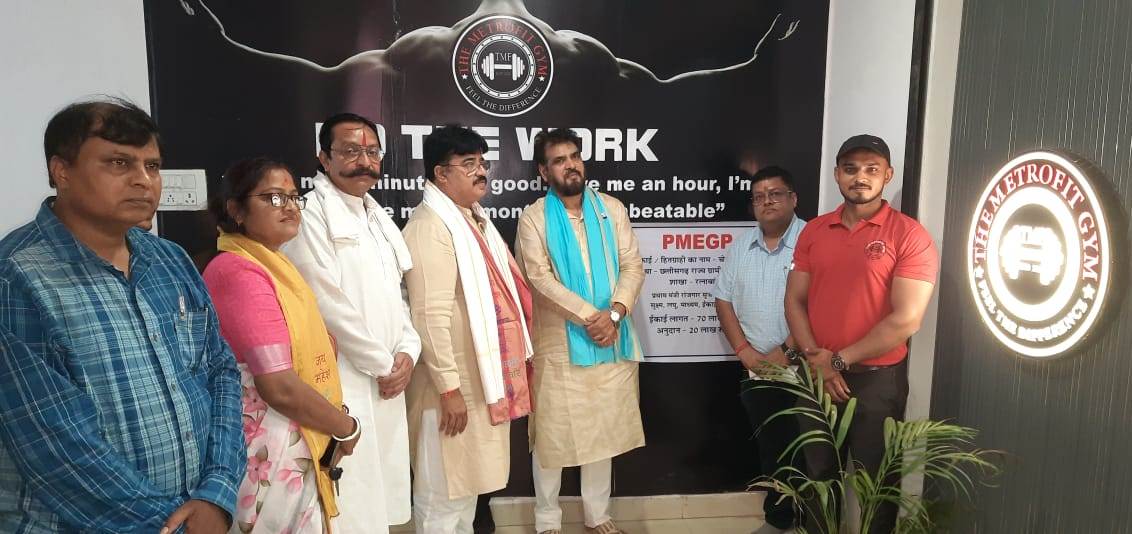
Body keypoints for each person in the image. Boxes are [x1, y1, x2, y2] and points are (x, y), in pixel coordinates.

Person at [0, 98, 243, 532]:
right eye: (119, 163)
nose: (143, 180)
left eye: (152, 166)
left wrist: (218, 490)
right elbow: (54, 447)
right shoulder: (16, 276)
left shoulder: (170, 260)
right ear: (62, 171)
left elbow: (219, 371)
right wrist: (176, 527)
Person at [784, 135, 939, 533]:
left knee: (876, 486)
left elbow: (907, 319)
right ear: (837, 174)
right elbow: (794, 300)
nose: (860, 177)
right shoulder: (815, 231)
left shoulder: (909, 235)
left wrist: (838, 360)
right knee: (819, 479)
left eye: (872, 169)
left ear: (888, 175)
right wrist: (817, 359)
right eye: (851, 169)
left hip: (876, 382)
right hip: (816, 378)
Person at [202, 157, 361, 532]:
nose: (289, 206)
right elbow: (278, 386)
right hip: (268, 446)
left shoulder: (273, 265)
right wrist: (346, 427)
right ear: (236, 210)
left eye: (293, 197)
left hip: (290, 436)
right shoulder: (238, 271)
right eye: (273, 197)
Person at [281, 112, 419, 534]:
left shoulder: (377, 216)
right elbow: (324, 301)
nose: (364, 161)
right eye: (351, 151)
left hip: (388, 379)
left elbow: (398, 295)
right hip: (345, 379)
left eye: (372, 152)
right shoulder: (310, 215)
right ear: (324, 158)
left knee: (383, 499)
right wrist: (383, 363)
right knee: (351, 502)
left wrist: (408, 351)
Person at [402, 125, 534, 534]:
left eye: (482, 163)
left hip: (477, 385)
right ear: (441, 174)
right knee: (442, 499)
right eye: (469, 164)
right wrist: (448, 389)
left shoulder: (474, 221)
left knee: (466, 494)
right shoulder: (430, 227)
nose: (481, 172)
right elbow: (429, 316)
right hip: (448, 390)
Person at [515, 128, 645, 534]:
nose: (570, 165)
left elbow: (632, 265)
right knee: (552, 436)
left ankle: (597, 514)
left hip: (612, 338)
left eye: (574, 156)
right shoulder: (534, 217)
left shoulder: (612, 209)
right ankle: (547, 519)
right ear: (543, 171)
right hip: (559, 344)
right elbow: (539, 280)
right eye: (559, 160)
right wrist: (594, 317)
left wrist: (615, 314)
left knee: (602, 431)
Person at [714, 166, 807, 534]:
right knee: (773, 449)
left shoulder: (812, 241)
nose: (767, 202)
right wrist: (744, 351)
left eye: (775, 194)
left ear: (793, 198)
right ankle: (780, 520)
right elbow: (722, 300)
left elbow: (821, 304)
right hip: (756, 370)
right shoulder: (741, 247)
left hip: (805, 368)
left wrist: (787, 352)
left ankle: (811, 521)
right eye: (758, 197)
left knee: (810, 450)